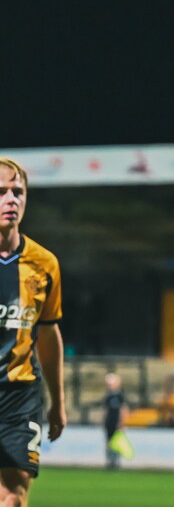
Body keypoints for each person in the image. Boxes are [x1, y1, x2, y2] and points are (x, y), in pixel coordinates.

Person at [0, 158, 66, 507]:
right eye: (1, 192)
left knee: (13, 495)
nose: (11, 200)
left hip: (20, 395)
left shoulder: (44, 263)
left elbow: (48, 334)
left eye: (18, 192)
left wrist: (58, 400)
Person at [103, 373, 129, 470]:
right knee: (109, 443)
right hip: (109, 423)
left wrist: (122, 422)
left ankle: (116, 462)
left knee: (116, 444)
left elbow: (123, 409)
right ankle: (110, 462)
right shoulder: (108, 396)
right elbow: (106, 410)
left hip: (117, 424)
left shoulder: (120, 395)